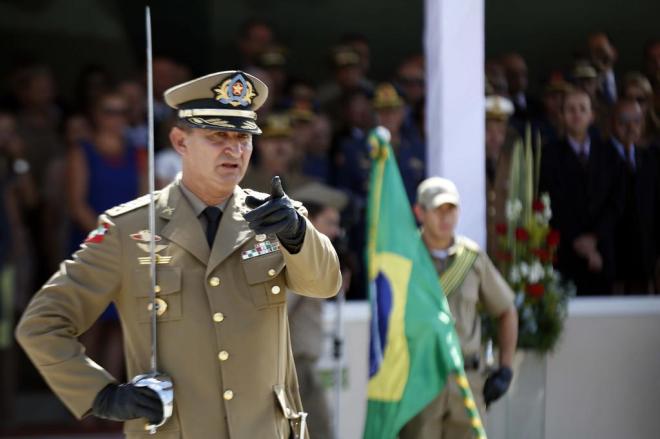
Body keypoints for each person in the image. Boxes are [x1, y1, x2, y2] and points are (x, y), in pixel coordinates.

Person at [15, 70, 342, 438]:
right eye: (217, 135)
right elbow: (42, 324)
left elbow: (325, 283)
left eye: (243, 137)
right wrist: (101, 393)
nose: (233, 149)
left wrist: (299, 234)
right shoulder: (128, 229)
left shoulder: (276, 216)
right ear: (180, 141)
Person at [400, 177, 518, 439]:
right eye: (437, 210)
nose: (445, 217)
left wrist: (506, 367)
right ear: (419, 212)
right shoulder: (405, 256)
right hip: (419, 382)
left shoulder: (471, 258)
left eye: (451, 209)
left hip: (467, 382)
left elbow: (506, 310)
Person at [540, 87, 625, 295]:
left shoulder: (609, 153)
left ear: (592, 115)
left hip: (603, 253)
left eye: (582, 109)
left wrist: (595, 238)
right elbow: (549, 202)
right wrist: (577, 240)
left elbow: (617, 201)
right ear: (561, 116)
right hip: (566, 253)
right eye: (570, 109)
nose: (576, 114)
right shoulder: (549, 155)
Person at [287, 182, 349, 439]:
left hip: (301, 365)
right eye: (329, 222)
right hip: (294, 367)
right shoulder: (298, 260)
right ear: (309, 219)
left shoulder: (310, 260)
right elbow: (281, 308)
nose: (335, 232)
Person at [607, 99, 659, 294]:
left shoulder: (650, 158)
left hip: (645, 259)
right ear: (611, 123)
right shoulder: (601, 157)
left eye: (636, 120)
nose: (631, 127)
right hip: (611, 259)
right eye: (623, 121)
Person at [484, 95, 517, 259]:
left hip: (504, 249)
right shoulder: (471, 167)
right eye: (488, 130)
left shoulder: (513, 166)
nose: (494, 138)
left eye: (500, 132)